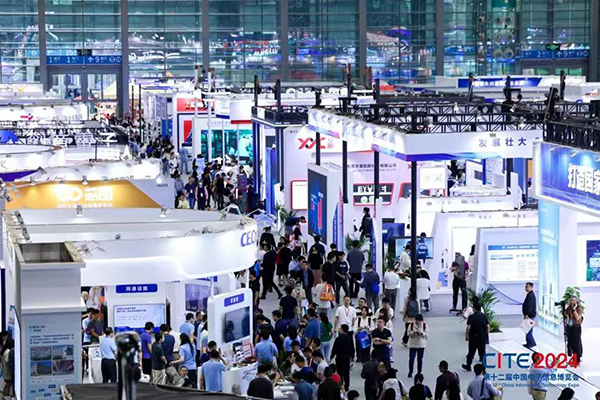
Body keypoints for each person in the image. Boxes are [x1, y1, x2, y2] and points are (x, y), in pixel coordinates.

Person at [462, 302, 489, 372]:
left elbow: (468, 327)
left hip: (473, 338)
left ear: (474, 309)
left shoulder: (471, 317)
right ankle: (484, 369)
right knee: (482, 354)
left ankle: (468, 366)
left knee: (471, 352)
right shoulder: (483, 316)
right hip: (481, 338)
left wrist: (467, 336)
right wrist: (485, 334)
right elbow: (488, 326)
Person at [330, 324, 355, 391]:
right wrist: (352, 356)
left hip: (339, 358)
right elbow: (352, 348)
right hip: (347, 358)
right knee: (346, 372)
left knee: (340, 372)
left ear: (342, 330)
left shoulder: (338, 339)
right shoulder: (349, 338)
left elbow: (334, 348)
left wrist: (332, 356)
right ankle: (347, 386)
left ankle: (340, 385)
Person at [564, 295, 583, 362]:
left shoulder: (579, 309)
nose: (572, 302)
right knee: (571, 343)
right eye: (571, 300)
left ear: (576, 301)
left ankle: (577, 359)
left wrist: (574, 310)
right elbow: (565, 314)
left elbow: (577, 317)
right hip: (570, 327)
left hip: (576, 327)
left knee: (576, 344)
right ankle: (572, 357)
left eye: (574, 300)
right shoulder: (569, 307)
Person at [407, 314, 428, 378]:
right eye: (417, 321)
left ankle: (419, 372)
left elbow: (426, 334)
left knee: (420, 359)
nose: (418, 322)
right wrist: (413, 332)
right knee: (411, 359)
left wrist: (421, 333)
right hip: (413, 345)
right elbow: (408, 334)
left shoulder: (424, 325)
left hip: (421, 345)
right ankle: (410, 371)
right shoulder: (411, 325)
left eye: (420, 321)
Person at [522, 282, 537, 349]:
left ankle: (531, 342)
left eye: (527, 287)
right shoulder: (529, 294)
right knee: (527, 329)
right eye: (525, 287)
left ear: (531, 287)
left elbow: (529, 306)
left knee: (528, 329)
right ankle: (530, 342)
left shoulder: (530, 296)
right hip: (529, 315)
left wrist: (527, 314)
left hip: (529, 315)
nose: (526, 288)